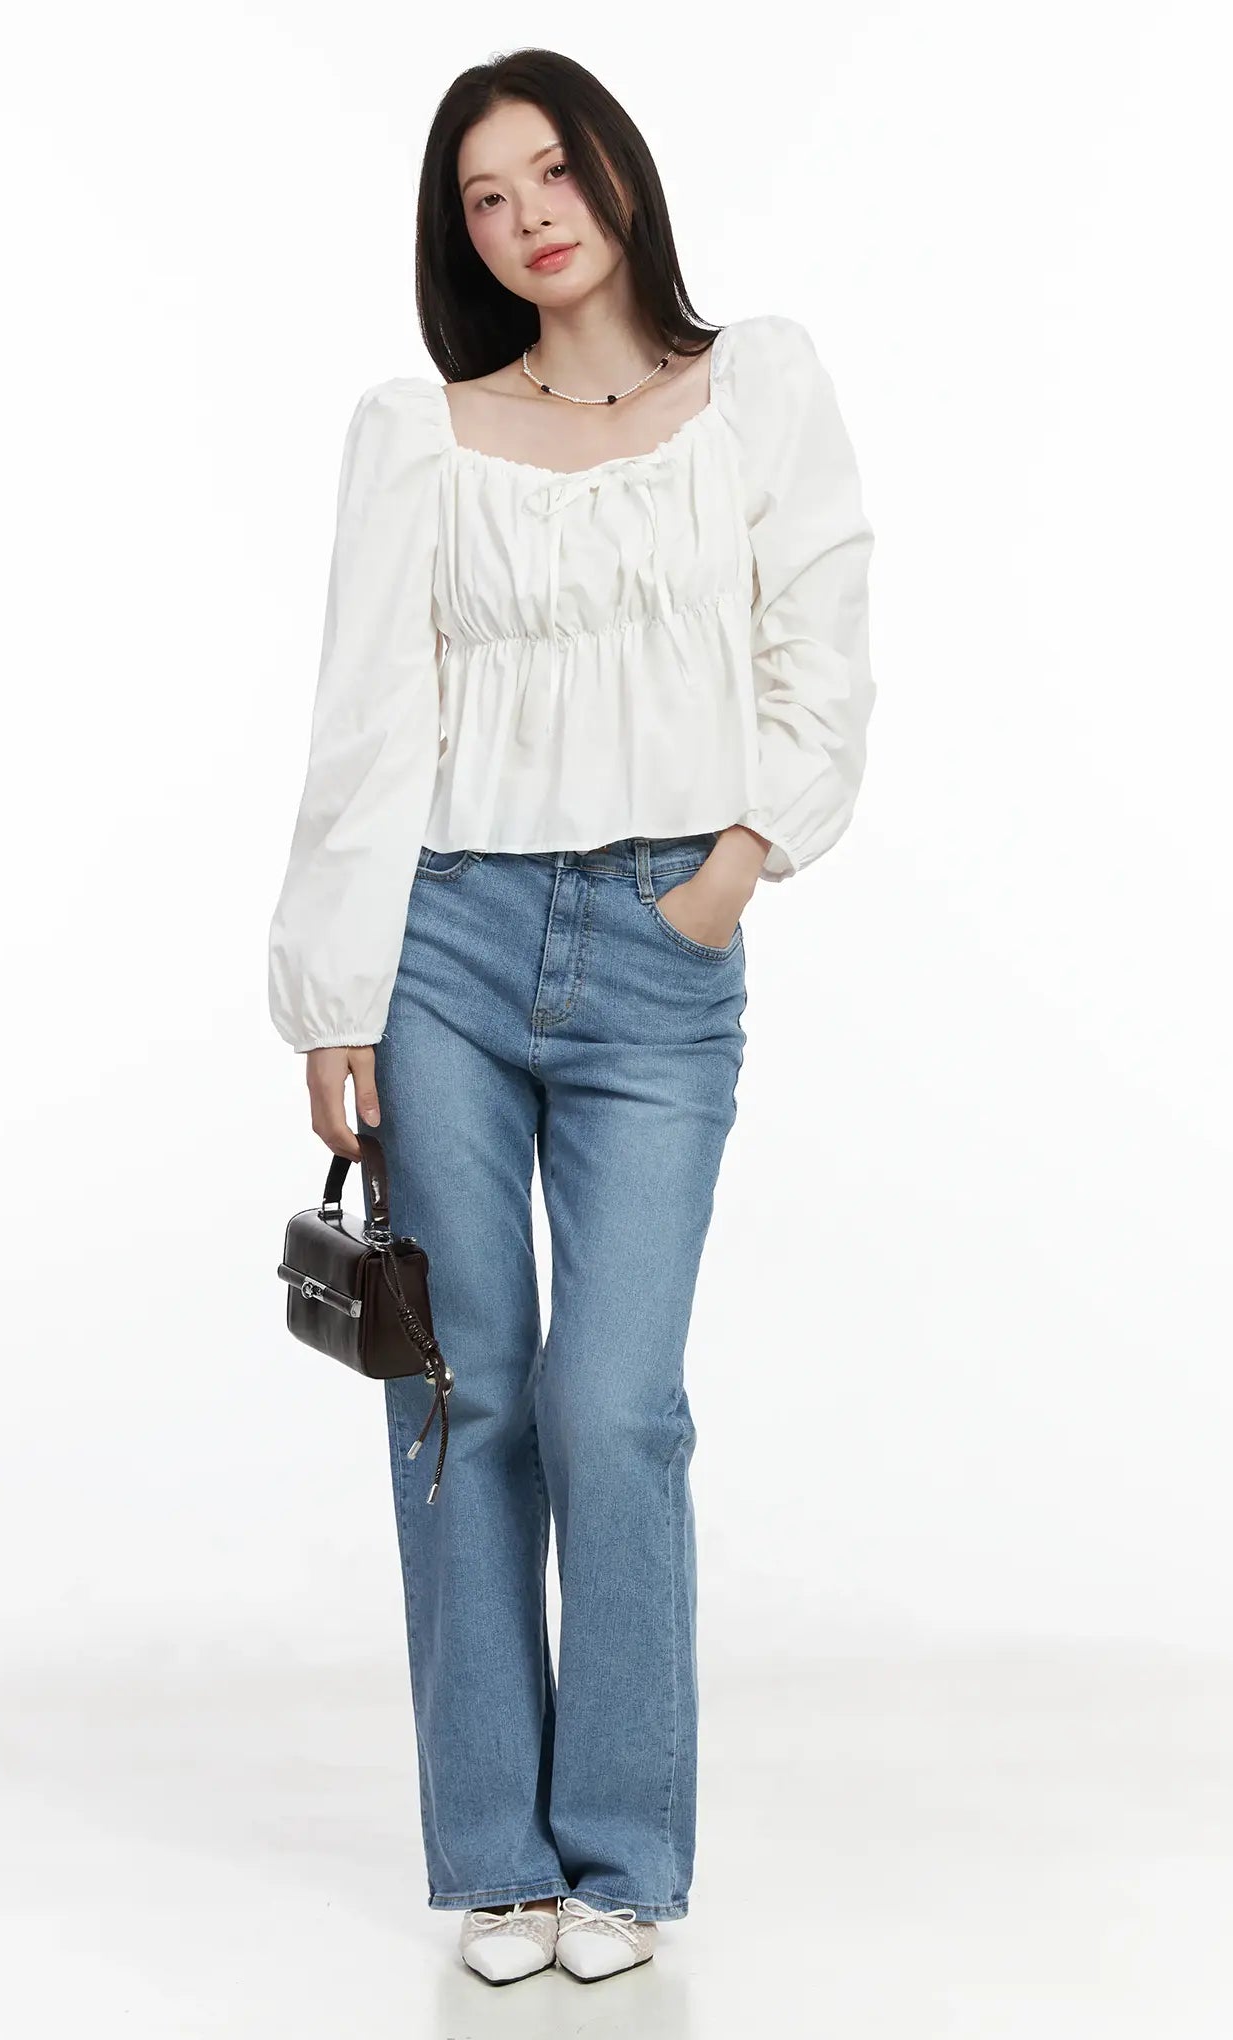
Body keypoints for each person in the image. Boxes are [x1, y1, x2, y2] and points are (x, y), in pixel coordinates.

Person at [267, 49, 875, 1986]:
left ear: (618, 168)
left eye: (551, 168)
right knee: (469, 1392)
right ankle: (496, 1857)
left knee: (617, 1407)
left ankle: (622, 1856)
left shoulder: (756, 385)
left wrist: (735, 866)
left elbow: (823, 640)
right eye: (485, 195)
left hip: (659, 956)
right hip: (445, 944)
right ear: (459, 236)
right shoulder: (421, 435)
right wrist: (335, 989)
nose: (529, 213)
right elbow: (369, 718)